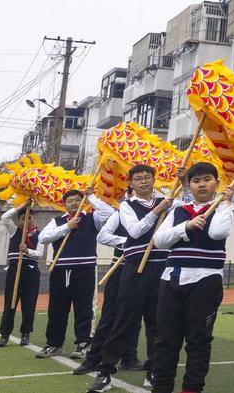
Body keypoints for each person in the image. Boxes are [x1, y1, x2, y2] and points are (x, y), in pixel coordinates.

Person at [136, 162, 234, 393]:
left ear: (216, 183)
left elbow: (218, 232)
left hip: (205, 281)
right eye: (196, 180)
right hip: (172, 279)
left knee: (198, 340)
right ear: (189, 185)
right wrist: (186, 227)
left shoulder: (222, 208)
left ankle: (192, 388)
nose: (202, 184)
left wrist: (227, 202)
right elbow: (159, 240)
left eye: (207, 179)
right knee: (165, 340)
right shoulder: (179, 210)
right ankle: (161, 387)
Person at [91, 163, 172, 390]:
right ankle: (105, 371)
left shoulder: (169, 201)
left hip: (161, 266)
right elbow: (135, 231)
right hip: (135, 267)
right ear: (131, 183)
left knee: (157, 323)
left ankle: (154, 371)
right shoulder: (127, 206)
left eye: (147, 177)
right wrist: (156, 211)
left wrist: (181, 186)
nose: (143, 181)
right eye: (138, 178)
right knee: (124, 320)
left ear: (154, 179)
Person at [36, 187, 115, 359]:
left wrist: (92, 197)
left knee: (84, 308)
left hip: (85, 269)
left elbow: (110, 213)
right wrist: (66, 227)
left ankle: (83, 344)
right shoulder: (58, 221)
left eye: (77, 200)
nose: (74, 203)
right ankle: (54, 344)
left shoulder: (93, 218)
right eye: (70, 201)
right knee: (57, 309)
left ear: (83, 202)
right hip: (60, 270)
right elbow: (42, 238)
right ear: (64, 204)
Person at [73, 205, 143, 376]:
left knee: (134, 317)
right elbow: (103, 236)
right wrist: (125, 241)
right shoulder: (120, 213)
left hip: (142, 268)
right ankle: (93, 358)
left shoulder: (157, 212)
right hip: (119, 267)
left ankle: (129, 358)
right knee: (109, 316)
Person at [0, 203, 40, 347]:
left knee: (29, 304)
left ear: (34, 219)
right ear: (18, 221)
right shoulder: (14, 230)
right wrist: (22, 205)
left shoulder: (39, 235)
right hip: (14, 271)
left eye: (30, 218)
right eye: (23, 218)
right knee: (10, 303)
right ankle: (4, 335)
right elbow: (4, 217)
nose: (26, 221)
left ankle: (25, 334)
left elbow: (39, 254)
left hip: (31, 272)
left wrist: (28, 251)